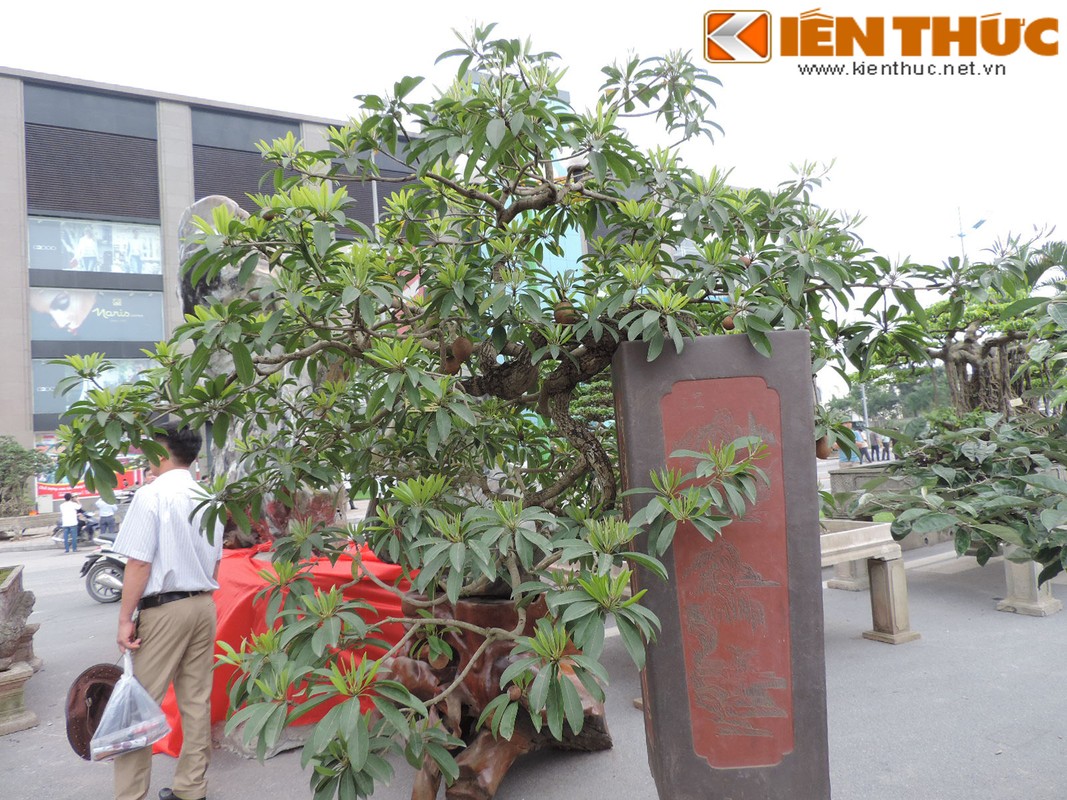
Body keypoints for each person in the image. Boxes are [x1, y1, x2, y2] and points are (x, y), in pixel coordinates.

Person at [111, 423, 222, 800]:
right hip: (203, 604)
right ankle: (192, 789)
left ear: (162, 451)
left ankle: (130, 795)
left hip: (164, 610)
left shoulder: (152, 495)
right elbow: (216, 562)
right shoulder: (210, 496)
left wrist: (125, 619)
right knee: (195, 701)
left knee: (138, 705)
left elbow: (138, 563)